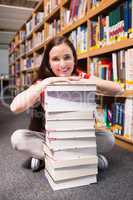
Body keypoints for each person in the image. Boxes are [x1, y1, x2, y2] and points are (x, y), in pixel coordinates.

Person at [10, 36, 123, 172]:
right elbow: (15, 107)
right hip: (52, 140)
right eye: (56, 59)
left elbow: (119, 90)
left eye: (67, 57)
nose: (63, 65)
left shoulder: (81, 76)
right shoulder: (43, 82)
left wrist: (85, 81)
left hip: (79, 139)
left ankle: (48, 158)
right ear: (49, 63)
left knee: (109, 139)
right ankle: (84, 157)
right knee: (18, 138)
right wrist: (47, 82)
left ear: (74, 59)